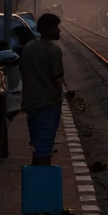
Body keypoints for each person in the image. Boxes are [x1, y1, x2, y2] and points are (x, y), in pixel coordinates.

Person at [21, 12, 74, 165]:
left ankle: (35, 174)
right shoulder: (53, 51)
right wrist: (64, 95)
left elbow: (23, 74)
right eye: (56, 27)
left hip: (31, 103)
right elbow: (57, 79)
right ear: (48, 29)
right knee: (45, 144)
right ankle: (42, 178)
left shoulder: (28, 48)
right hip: (48, 104)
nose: (59, 31)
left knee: (36, 143)